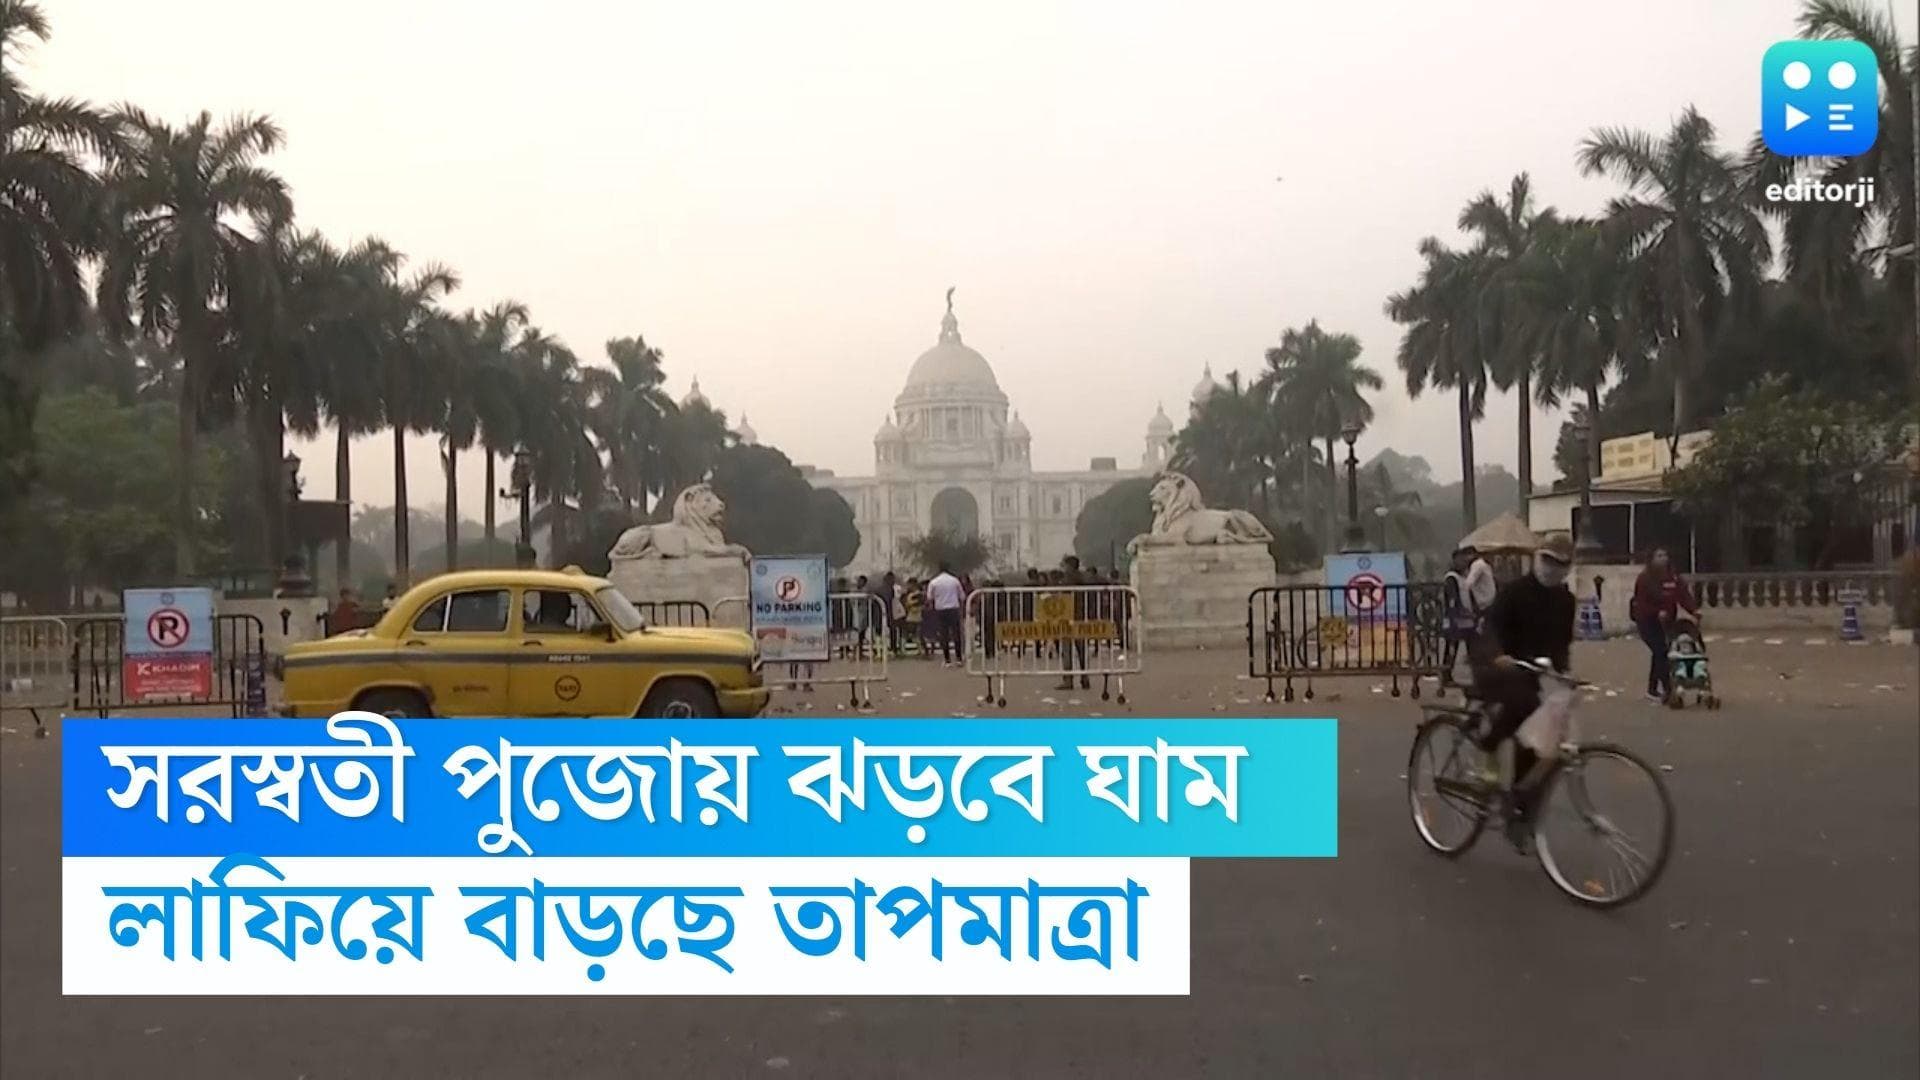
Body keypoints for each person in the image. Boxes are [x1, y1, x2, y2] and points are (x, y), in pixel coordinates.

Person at [1468, 531, 1577, 847]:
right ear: (1536, 558)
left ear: (1568, 567)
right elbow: (1491, 628)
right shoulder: (1514, 592)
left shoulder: (1565, 601)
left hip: (1529, 670)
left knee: (1538, 739)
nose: (1551, 568)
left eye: (1560, 564)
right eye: (1547, 560)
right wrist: (1498, 654)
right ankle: (1488, 746)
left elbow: (1561, 645)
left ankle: (1519, 809)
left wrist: (1566, 674)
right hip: (1493, 664)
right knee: (1526, 706)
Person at [1631, 546, 1698, 704]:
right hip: (1647, 621)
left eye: (1665, 555)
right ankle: (1667, 689)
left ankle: (1652, 689)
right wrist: (1657, 611)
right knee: (1660, 650)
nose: (1663, 558)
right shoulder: (1645, 579)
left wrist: (1694, 610)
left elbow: (1683, 595)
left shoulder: (1674, 577)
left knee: (1661, 653)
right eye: (1659, 555)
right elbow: (1641, 603)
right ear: (1652, 559)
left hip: (1668, 621)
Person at [1440, 547, 1479, 685]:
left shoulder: (1464, 577)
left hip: (1467, 621)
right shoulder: (1451, 578)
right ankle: (1446, 676)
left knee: (1473, 648)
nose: (1464, 562)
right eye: (1461, 559)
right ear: (1455, 560)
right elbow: (1453, 600)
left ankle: (1477, 675)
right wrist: (1461, 612)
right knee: (1451, 648)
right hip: (1454, 621)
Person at [925, 564, 966, 665]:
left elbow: (930, 598)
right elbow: (962, 596)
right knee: (956, 634)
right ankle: (959, 658)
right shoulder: (955, 580)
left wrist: (931, 609)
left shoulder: (934, 582)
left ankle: (947, 659)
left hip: (940, 610)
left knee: (944, 635)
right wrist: (961, 609)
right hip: (953, 609)